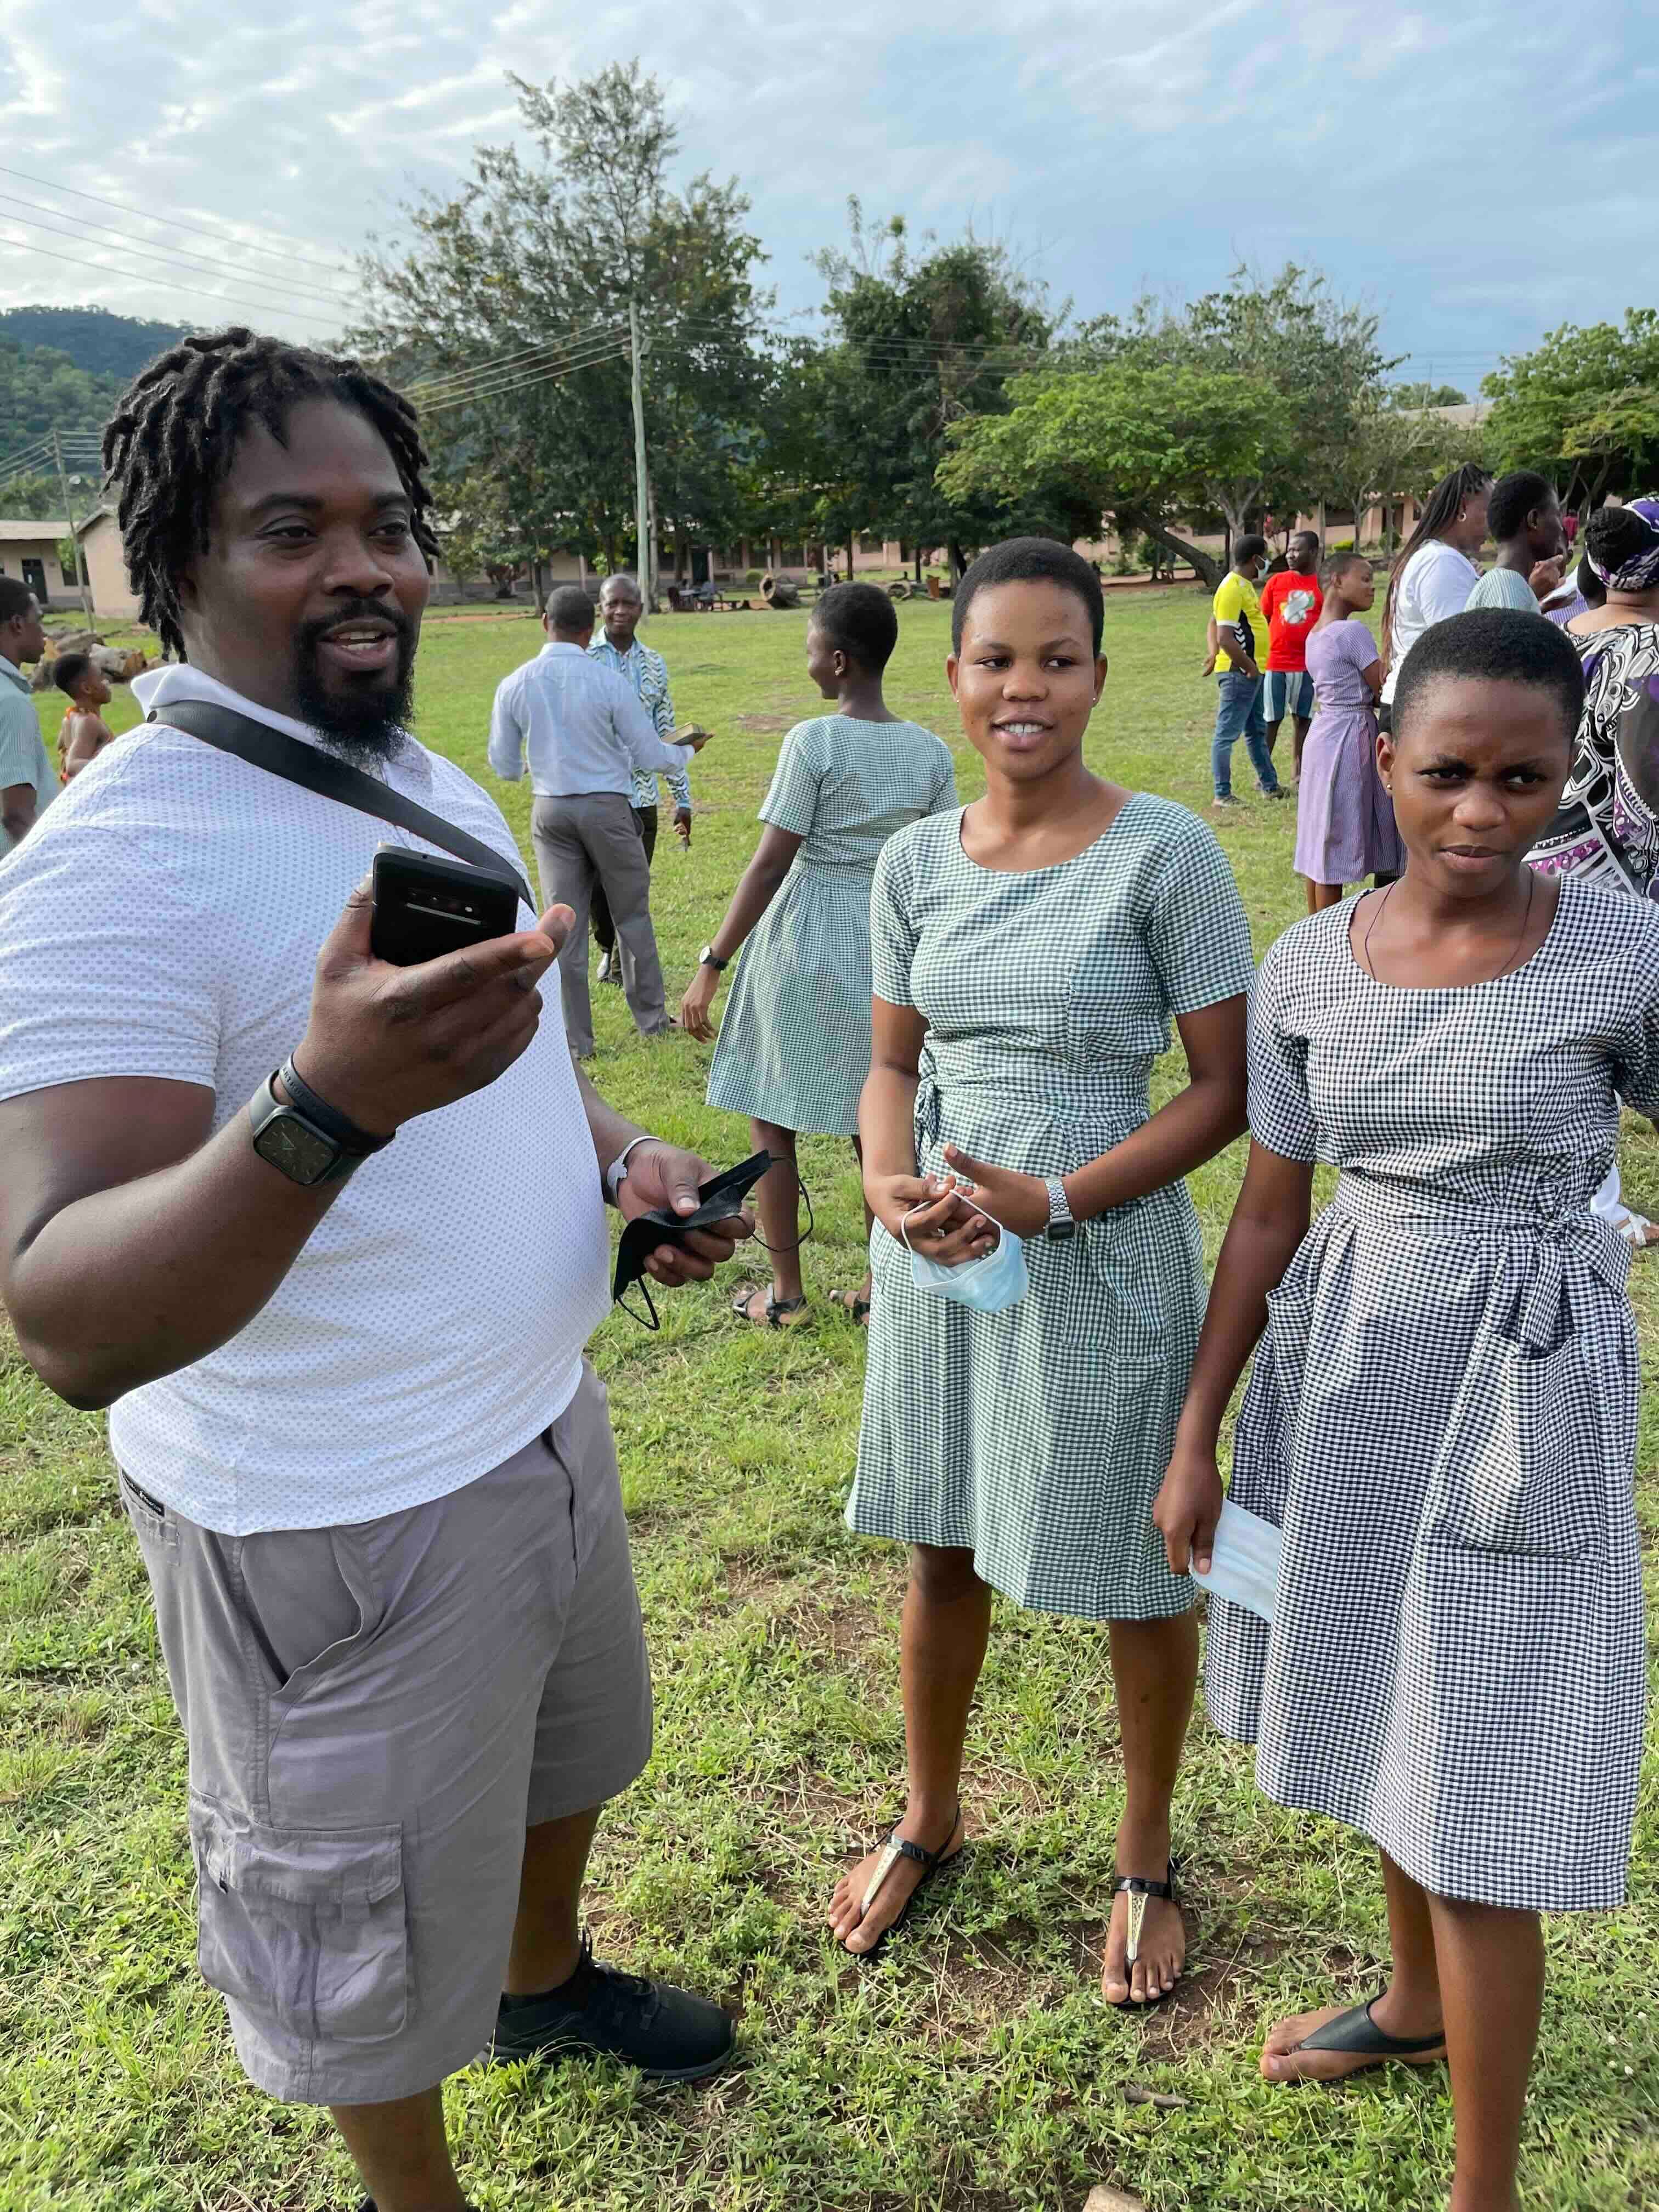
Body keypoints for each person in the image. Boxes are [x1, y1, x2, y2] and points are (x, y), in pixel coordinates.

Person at [0, 329, 754, 2212]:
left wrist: (619, 1160)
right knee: (361, 1945)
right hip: (332, 1519)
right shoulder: (113, 866)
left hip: (534, 1427)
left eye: (390, 525)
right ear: (173, 570)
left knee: (574, 1762)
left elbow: (507, 1056)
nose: (366, 567)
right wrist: (325, 1104)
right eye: (292, 532)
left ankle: (543, 1983)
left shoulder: (414, 772)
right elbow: (63, 1312)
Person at [1158, 608, 1651, 2212]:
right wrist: (1198, 1432)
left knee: (1481, 1784)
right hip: (1352, 1372)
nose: (1482, 812)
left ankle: (1481, 2192)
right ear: (1380, 762)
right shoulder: (1309, 966)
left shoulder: (1622, 949)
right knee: (1383, 1698)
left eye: (1523, 778)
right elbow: (1266, 1213)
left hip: (1526, 1387)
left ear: (1566, 774)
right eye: (1446, 774)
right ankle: (1416, 2003)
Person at [831, 538, 1254, 2006]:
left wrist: (1059, 1199)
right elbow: (893, 1065)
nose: (1026, 688)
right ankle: (930, 1813)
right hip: (944, 1255)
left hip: (1103, 1254)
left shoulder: (1166, 853)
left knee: (1140, 1564)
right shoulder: (911, 863)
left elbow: (1225, 1091)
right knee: (940, 1542)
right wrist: (886, 1186)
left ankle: (1144, 1854)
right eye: (997, 659)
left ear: (1097, 675)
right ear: (954, 677)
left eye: (1056, 660)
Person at [678, 582, 956, 1327]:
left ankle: (786, 1295)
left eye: (809, 650)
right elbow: (938, 869)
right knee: (881, 1122)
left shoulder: (814, 742)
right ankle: (880, 1292)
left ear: (837, 662)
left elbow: (771, 863)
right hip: (888, 951)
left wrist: (713, 961)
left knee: (773, 1121)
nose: (807, 663)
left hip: (803, 942)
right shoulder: (930, 752)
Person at [488, 585, 708, 1059]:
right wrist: (687, 751)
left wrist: (540, 765)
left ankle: (576, 1041)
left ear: (545, 622)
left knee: (564, 925)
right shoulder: (608, 682)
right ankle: (651, 1020)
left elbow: (504, 766)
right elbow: (649, 754)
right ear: (590, 631)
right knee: (631, 914)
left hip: (551, 811)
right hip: (608, 809)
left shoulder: (517, 682)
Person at [1528, 499, 1659, 1252]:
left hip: (1543, 855)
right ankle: (1601, 1204)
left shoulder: (1555, 634)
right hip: (1621, 872)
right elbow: (1647, 782)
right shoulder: (1652, 651)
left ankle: (1599, 1198)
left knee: (1575, 1032)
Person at [587, 571, 695, 988]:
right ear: (600, 607)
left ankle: (619, 965)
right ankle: (605, 944)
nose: (620, 611)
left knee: (631, 888)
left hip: (642, 796)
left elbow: (667, 731)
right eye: (612, 603)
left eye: (628, 603)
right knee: (598, 888)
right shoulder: (583, 659)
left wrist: (682, 799)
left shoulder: (654, 664)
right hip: (596, 795)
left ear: (640, 608)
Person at [1294, 552, 1402, 911]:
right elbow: (1382, 689)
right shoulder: (1351, 632)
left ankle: (1313, 924)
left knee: (1322, 838)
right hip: (1351, 734)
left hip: (1323, 734)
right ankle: (1329, 929)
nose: (1373, 588)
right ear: (1337, 582)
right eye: (1365, 579)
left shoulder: (1315, 634)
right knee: (1338, 838)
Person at [1378, 462, 1492, 730]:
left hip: (1419, 705)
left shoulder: (1439, 557)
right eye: (1489, 511)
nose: (1493, 524)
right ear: (1463, 508)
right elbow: (1461, 647)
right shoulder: (1440, 561)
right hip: (1422, 710)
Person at [1202, 532, 1283, 809]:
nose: (1267, 562)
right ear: (1255, 559)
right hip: (1239, 672)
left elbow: (1214, 622)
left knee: (1256, 731)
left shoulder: (1244, 586)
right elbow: (1224, 636)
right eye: (1265, 557)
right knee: (1226, 734)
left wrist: (1213, 654)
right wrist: (1248, 667)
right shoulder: (1231, 588)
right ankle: (1222, 794)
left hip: (1252, 671)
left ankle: (1270, 786)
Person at [1259, 530, 1324, 774]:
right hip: (1276, 663)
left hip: (1307, 666)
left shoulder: (1323, 585)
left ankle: (1299, 773)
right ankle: (1265, 774)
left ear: (1314, 552)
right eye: (1289, 550)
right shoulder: (1276, 582)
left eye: (1297, 550)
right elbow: (1263, 619)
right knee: (1271, 720)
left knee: (1303, 719)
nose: (1290, 555)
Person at [0, 577, 54, 854]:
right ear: (18, 624)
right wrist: (52, 861)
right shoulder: (11, 702)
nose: (43, 632)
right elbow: (17, 815)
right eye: (39, 620)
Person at [1464, 471, 1567, 612]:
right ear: (1534, 520)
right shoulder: (1506, 590)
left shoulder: (1506, 586)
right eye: (1557, 515)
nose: (1560, 527)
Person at [53, 650, 117, 780]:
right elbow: (73, 765)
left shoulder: (69, 719)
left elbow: (61, 746)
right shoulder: (89, 722)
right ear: (87, 689)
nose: (106, 682)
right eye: (101, 678)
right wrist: (114, 765)